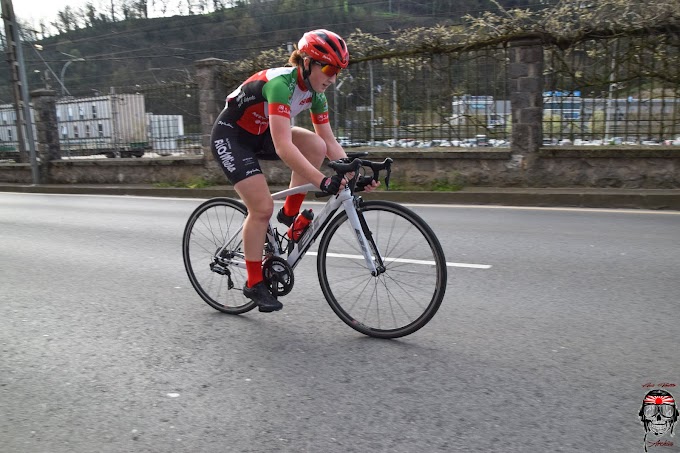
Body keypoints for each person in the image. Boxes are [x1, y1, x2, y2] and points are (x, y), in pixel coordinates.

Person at [210, 29, 379, 313]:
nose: (332, 77)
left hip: (261, 133)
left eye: (337, 71)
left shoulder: (316, 93)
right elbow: (284, 147)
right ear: (305, 62)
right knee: (261, 208)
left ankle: (289, 213)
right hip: (232, 137)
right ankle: (254, 282)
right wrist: (322, 181)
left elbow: (328, 141)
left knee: (314, 144)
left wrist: (354, 175)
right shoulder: (280, 85)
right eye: (327, 68)